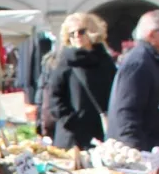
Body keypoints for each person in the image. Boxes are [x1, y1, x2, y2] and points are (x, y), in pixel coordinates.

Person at [105, 11, 159, 151]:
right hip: (143, 150)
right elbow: (126, 113)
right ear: (152, 35)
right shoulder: (138, 63)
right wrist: (136, 153)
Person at [43, 13, 116, 151]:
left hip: (102, 132)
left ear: (92, 31)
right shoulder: (63, 61)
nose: (77, 36)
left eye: (81, 31)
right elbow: (54, 98)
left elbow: (115, 92)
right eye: (72, 33)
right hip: (72, 137)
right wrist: (71, 121)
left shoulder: (105, 60)